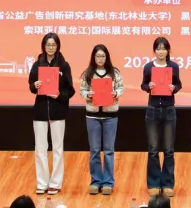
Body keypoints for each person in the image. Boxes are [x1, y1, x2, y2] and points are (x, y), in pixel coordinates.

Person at [28, 32, 75, 195]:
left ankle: (55, 183)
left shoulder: (64, 65)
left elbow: (70, 90)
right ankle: (42, 183)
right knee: (40, 148)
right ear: (43, 46)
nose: (50, 48)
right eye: (48, 45)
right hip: (40, 111)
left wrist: (59, 95)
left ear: (58, 46)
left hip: (58, 111)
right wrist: (35, 85)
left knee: (58, 148)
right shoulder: (37, 65)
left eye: (53, 45)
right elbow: (31, 85)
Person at [79, 43, 125, 195]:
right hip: (92, 116)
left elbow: (121, 88)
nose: (100, 58)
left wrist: (115, 93)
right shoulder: (88, 73)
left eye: (103, 56)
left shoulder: (114, 73)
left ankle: (108, 182)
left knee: (109, 151)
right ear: (93, 57)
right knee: (94, 150)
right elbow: (82, 90)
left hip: (110, 116)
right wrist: (88, 95)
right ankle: (96, 181)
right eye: (98, 56)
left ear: (107, 57)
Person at [141, 36, 183, 196]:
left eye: (163, 48)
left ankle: (167, 184)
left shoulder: (173, 66)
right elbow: (143, 84)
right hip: (152, 109)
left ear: (168, 50)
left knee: (169, 149)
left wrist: (174, 88)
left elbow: (178, 84)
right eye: (158, 49)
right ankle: (153, 183)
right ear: (154, 50)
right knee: (153, 149)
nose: (161, 51)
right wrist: (148, 86)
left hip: (168, 109)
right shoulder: (148, 67)